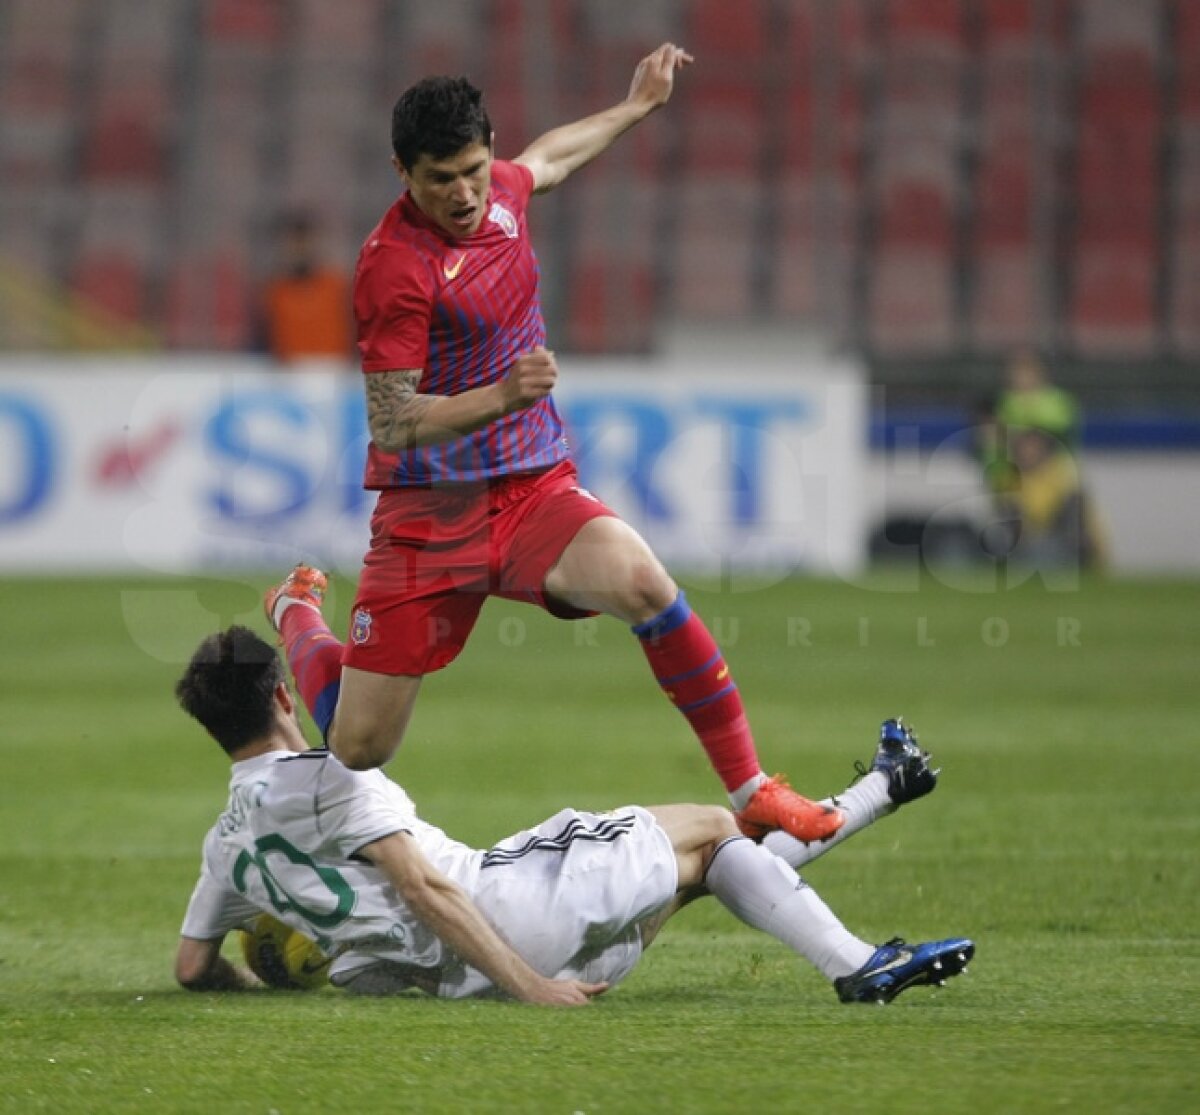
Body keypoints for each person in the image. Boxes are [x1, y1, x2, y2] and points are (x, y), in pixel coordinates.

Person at [265, 42, 844, 846]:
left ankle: (753, 788)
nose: (463, 193)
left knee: (643, 582)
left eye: (474, 170)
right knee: (361, 746)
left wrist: (637, 105)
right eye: (440, 179)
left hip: (531, 486)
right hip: (430, 514)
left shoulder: (502, 191)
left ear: (489, 150)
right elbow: (391, 420)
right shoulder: (392, 268)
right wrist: (503, 395)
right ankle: (298, 612)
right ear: (402, 172)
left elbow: (552, 158)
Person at [174, 626, 974, 1005]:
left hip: (459, 982)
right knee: (712, 823)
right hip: (509, 916)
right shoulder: (333, 777)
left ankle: (885, 786)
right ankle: (857, 962)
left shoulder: (225, 846)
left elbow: (190, 966)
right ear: (284, 698)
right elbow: (423, 886)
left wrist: (264, 983)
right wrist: (531, 986)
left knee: (705, 868)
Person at [974, 349, 1107, 569]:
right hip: (1015, 473)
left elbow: (1058, 435)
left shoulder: (1058, 401)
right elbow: (992, 440)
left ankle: (1083, 554)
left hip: (1054, 473)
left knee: (1075, 509)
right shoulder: (1005, 402)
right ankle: (1019, 554)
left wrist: (1020, 436)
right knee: (1011, 510)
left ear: (1040, 374)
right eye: (1017, 373)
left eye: (1027, 373)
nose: (1022, 379)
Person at [260, 209, 353, 365]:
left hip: (334, 371)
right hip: (288, 373)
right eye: (294, 243)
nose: (300, 250)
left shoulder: (336, 287)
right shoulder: (276, 292)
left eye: (304, 242)